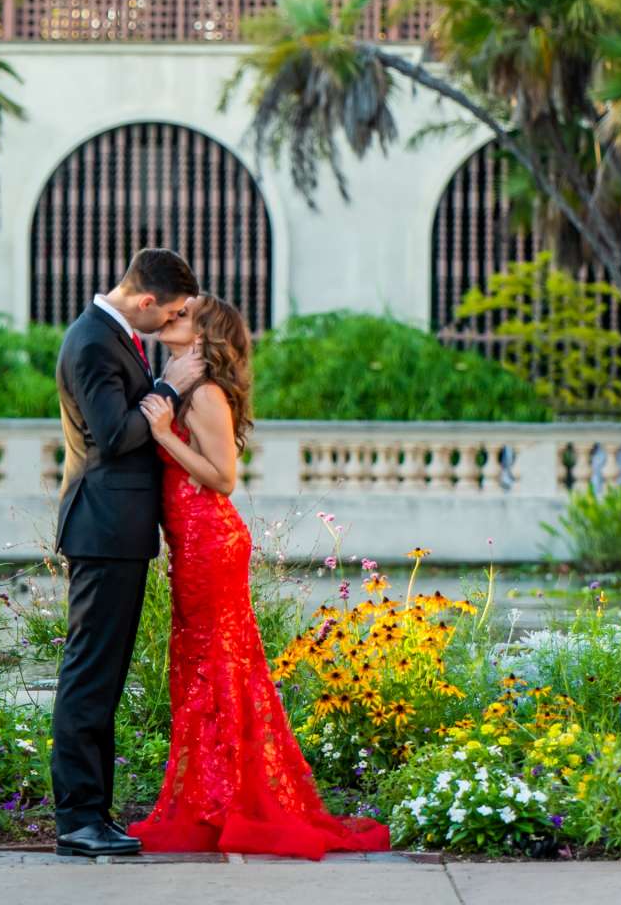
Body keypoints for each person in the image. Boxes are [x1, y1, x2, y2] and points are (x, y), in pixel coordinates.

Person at [127, 295, 392, 860]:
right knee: (203, 669)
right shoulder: (184, 387)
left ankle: (232, 801)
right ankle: (212, 795)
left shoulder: (206, 395)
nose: (169, 320)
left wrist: (165, 436)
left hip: (211, 544)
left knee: (220, 670)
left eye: (182, 317)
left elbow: (222, 478)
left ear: (203, 339)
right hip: (192, 544)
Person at [49, 246, 205, 858]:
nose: (168, 326)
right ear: (145, 300)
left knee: (103, 676)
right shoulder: (91, 342)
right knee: (88, 674)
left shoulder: (115, 337)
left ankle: (96, 815)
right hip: (102, 527)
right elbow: (113, 435)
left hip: (119, 531)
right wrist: (170, 385)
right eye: (166, 315)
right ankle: (78, 820)